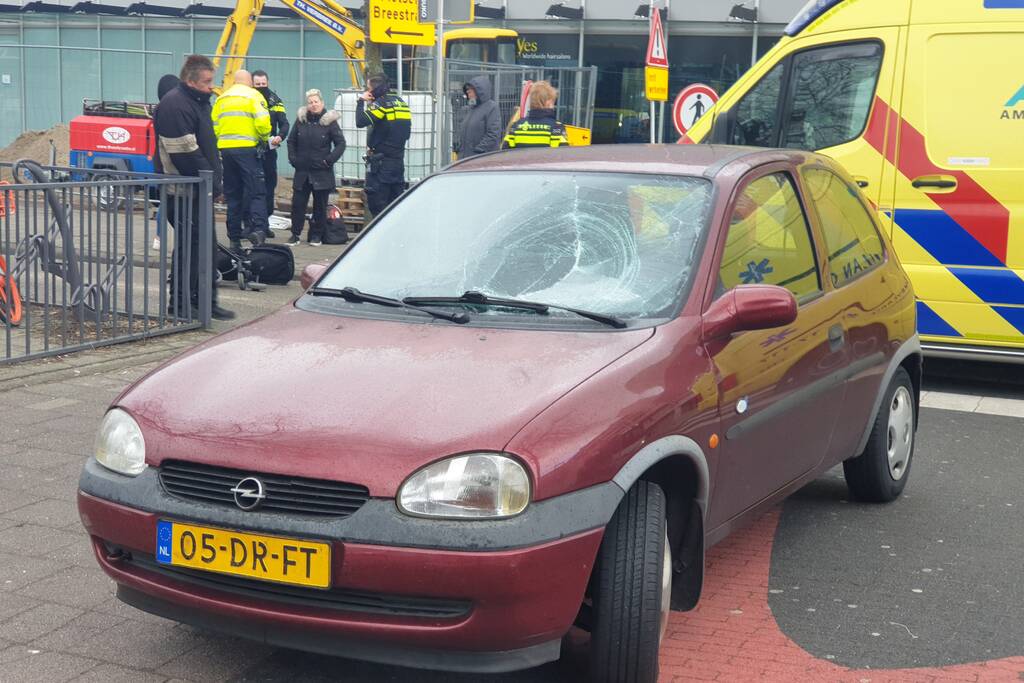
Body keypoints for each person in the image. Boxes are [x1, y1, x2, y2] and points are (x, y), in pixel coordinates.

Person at [153, 55, 235, 321]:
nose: (211, 87)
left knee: (205, 248)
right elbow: (185, 152)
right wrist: (211, 178)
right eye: (207, 82)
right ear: (191, 80)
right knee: (190, 248)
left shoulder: (197, 103)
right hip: (183, 190)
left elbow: (205, 147)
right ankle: (180, 304)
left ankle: (205, 301)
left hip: (201, 188)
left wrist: (215, 180)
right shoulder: (175, 105)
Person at [212, 69, 271, 250]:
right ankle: (259, 231)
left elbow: (215, 125)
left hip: (227, 150)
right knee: (257, 191)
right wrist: (264, 137)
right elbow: (262, 123)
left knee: (233, 195)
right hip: (248, 150)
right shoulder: (253, 96)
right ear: (249, 82)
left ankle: (234, 238)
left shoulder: (221, 99)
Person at [286, 89, 346, 246]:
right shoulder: (301, 120)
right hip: (302, 171)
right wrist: (293, 159)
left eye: (316, 102)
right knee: (298, 204)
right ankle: (295, 234)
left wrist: (329, 160)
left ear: (322, 103)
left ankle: (316, 236)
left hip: (321, 172)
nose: (313, 105)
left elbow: (341, 143)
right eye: (310, 102)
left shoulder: (330, 122)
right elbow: (291, 141)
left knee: (320, 206)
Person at [356, 73, 411, 216]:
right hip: (398, 163)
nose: (367, 91)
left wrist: (361, 101)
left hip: (381, 164)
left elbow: (360, 121)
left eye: (368, 88)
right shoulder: (401, 103)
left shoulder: (382, 104)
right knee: (395, 205)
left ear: (374, 89)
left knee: (378, 206)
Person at [252, 69, 289, 229]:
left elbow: (284, 123)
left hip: (269, 149)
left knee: (269, 185)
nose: (261, 87)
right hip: (251, 150)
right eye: (257, 84)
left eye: (263, 84)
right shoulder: (248, 99)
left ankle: (264, 224)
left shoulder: (275, 100)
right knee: (252, 187)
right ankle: (251, 224)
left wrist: (280, 136)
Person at [502, 80, 569, 149]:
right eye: (553, 102)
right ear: (548, 102)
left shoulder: (516, 126)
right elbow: (563, 155)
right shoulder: (556, 127)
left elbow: (505, 152)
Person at [456, 76, 502, 159]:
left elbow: (493, 133)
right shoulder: (470, 108)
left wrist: (480, 150)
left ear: (479, 92)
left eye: (470, 92)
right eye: (467, 93)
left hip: (482, 158)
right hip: (466, 157)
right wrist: (459, 146)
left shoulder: (492, 107)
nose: (468, 95)